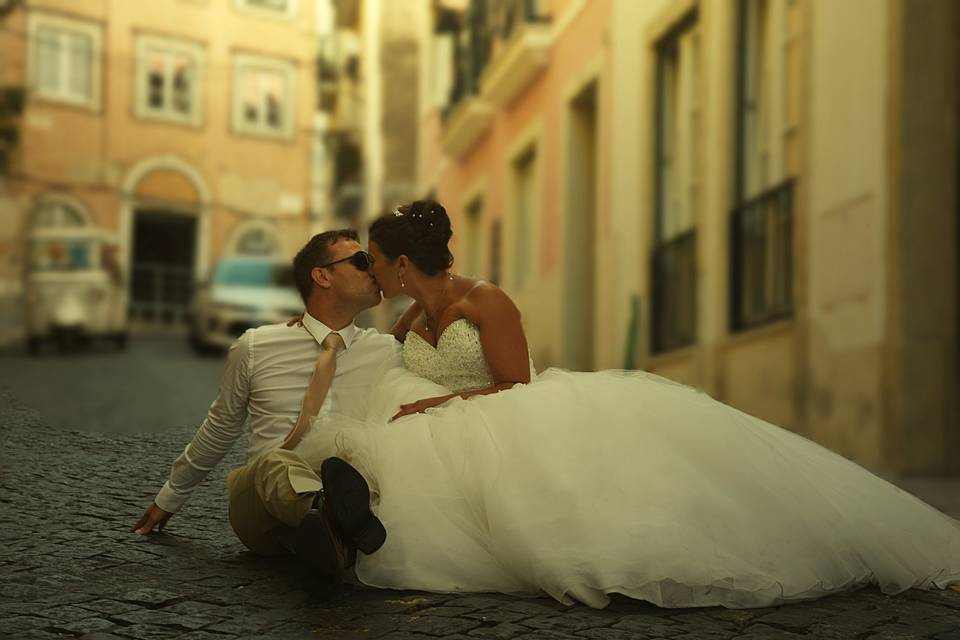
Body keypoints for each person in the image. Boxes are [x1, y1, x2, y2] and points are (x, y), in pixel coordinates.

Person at [292, 199, 960, 610]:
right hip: (440, 423)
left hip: (505, 413)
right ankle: (346, 522)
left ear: (404, 263)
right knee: (398, 452)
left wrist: (434, 408)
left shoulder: (485, 302)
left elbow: (514, 385)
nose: (372, 271)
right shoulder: (408, 320)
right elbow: (368, 352)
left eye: (375, 260)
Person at [133, 230, 399, 580]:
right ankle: (331, 516)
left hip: (355, 493)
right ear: (322, 276)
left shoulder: (388, 351)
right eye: (362, 261)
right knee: (274, 463)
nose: (373, 270)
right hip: (260, 506)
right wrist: (170, 497)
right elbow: (221, 426)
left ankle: (330, 538)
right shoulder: (256, 346)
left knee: (356, 468)